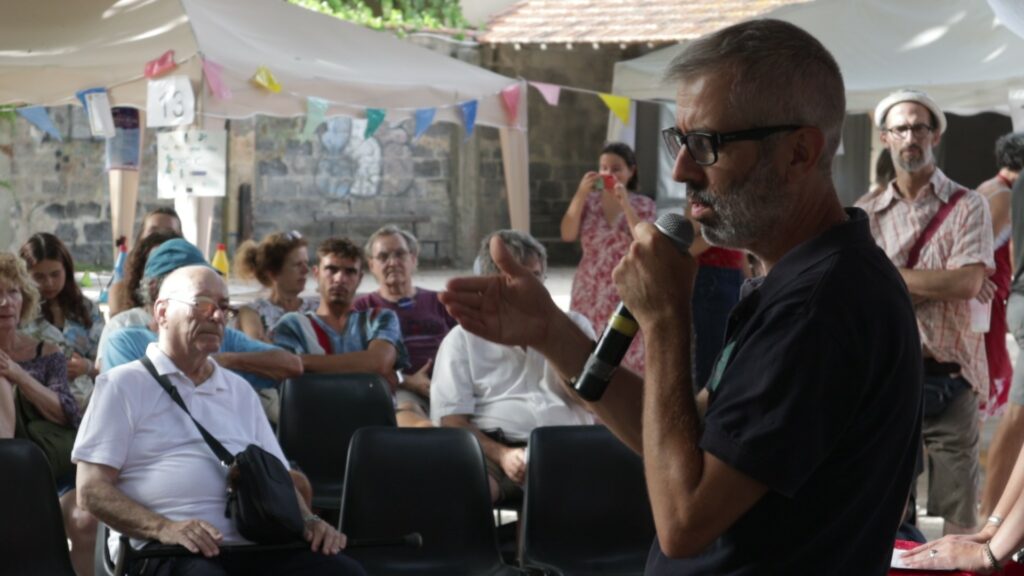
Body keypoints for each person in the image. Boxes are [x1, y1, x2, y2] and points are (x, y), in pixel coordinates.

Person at [440, 19, 921, 574]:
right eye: (680, 139)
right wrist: (553, 334)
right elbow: (684, 439)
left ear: (798, 153)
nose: (681, 169)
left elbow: (684, 522)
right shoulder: (796, 281)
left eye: (707, 144)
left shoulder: (821, 306)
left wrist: (667, 320)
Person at [74, 266, 365, 576]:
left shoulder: (239, 390)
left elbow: (279, 477)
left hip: (255, 547)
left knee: (344, 572)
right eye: (202, 303)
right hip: (166, 550)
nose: (216, 316)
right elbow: (90, 490)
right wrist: (163, 528)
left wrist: (310, 520)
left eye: (224, 308)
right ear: (162, 312)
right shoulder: (121, 385)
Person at [857, 88, 994, 535]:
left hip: (952, 375)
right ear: (884, 138)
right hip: (888, 377)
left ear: (935, 135)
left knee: (959, 517)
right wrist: (933, 282)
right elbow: (859, 293)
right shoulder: (865, 213)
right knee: (887, 513)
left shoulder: (968, 204)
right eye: (900, 128)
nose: (910, 136)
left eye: (919, 126)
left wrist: (886, 279)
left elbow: (967, 282)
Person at [432, 230, 594, 504]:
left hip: (568, 447)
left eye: (537, 276)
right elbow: (453, 422)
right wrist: (502, 455)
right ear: (491, 283)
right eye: (519, 279)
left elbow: (593, 402)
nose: (532, 289)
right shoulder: (461, 339)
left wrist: (550, 340)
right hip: (494, 448)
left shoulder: (574, 326)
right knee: (466, 493)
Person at [0, 253, 90, 574]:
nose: (5, 303)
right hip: (14, 475)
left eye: (12, 292)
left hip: (55, 470)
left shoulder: (46, 350)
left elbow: (68, 414)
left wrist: (19, 375)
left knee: (84, 518)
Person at [272, 238, 412, 423]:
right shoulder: (293, 325)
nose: (339, 279)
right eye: (331, 269)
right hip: (312, 424)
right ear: (316, 273)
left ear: (360, 278)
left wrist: (302, 362)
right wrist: (368, 372)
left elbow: (378, 362)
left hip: (372, 425)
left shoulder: (380, 318)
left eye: (350, 271)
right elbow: (287, 377)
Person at [560, 142, 656, 373]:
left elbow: (645, 242)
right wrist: (580, 194)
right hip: (589, 289)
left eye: (616, 169)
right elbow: (567, 233)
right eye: (603, 168)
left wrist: (625, 203)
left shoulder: (644, 204)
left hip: (625, 288)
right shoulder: (588, 203)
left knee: (626, 353)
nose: (609, 174)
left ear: (631, 171)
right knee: (587, 348)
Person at [355, 225, 456, 422]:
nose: (392, 262)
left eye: (400, 254)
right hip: (400, 390)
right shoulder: (363, 309)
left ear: (413, 259)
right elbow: (358, 362)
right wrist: (407, 381)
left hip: (451, 385)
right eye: (383, 257)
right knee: (412, 418)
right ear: (371, 265)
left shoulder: (440, 301)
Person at [979, 132, 1024, 520]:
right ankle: (991, 514)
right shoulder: (1003, 194)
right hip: (993, 302)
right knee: (1013, 412)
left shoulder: (995, 188)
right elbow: (982, 252)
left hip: (1002, 301)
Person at [20, 232, 104, 411]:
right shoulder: (17, 312)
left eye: (55, 274)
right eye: (39, 277)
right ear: (25, 276)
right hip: (37, 405)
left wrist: (87, 367)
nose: (49, 283)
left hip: (90, 404)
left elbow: (108, 361)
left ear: (66, 270)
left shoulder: (86, 310)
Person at [685, 200, 747, 389]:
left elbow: (740, 252)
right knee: (712, 354)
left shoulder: (732, 203)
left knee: (733, 349)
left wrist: (751, 280)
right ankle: (710, 409)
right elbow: (687, 247)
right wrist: (718, 231)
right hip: (711, 280)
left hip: (734, 279)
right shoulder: (699, 205)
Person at [234, 230, 319, 342]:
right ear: (273, 273)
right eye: (297, 265)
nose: (305, 270)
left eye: (306, 263)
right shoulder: (253, 312)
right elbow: (258, 350)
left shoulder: (316, 308)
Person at [108, 206, 182, 317]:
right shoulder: (120, 292)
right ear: (140, 238)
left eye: (169, 233)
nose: (160, 237)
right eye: (153, 231)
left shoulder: (193, 288)